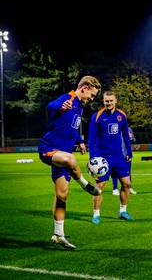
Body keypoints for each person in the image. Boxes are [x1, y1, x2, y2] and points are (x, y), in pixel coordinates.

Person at [38, 76, 102, 249]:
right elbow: (50, 106)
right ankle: (84, 184)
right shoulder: (68, 98)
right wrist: (59, 106)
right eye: (92, 95)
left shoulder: (80, 107)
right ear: (85, 87)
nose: (92, 99)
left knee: (62, 195)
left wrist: (80, 140)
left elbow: (71, 128)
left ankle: (58, 234)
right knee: (71, 159)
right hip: (48, 149)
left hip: (63, 155)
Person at [88, 91, 133, 224]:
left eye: (111, 101)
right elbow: (92, 139)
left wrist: (129, 152)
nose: (109, 103)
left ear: (116, 101)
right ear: (103, 101)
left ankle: (123, 211)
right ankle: (96, 214)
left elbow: (125, 135)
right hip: (103, 158)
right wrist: (93, 159)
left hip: (119, 156)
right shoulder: (97, 117)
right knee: (100, 186)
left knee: (126, 183)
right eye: (106, 101)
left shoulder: (122, 116)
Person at [112, 127, 137, 196]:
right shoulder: (114, 127)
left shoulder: (129, 129)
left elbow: (134, 140)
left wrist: (131, 137)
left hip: (127, 155)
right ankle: (115, 189)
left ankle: (129, 188)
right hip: (117, 154)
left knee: (128, 172)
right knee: (115, 172)